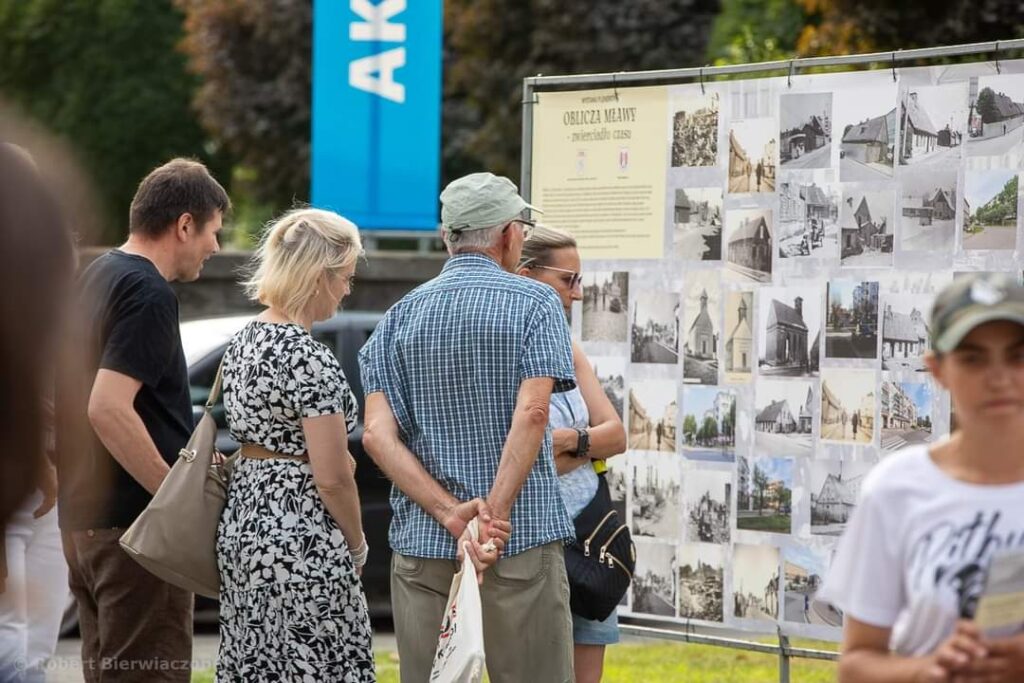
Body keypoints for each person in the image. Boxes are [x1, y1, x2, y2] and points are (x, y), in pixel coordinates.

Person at [360, 172, 572, 683]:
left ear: (446, 237)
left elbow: (376, 436)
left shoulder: (397, 317)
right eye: (521, 228)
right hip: (519, 540)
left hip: (425, 546)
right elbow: (534, 413)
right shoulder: (537, 302)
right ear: (508, 235)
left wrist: (452, 514)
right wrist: (490, 519)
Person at [55, 158, 229, 682]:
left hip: (85, 521)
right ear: (184, 225)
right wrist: (173, 500)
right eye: (214, 231)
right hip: (134, 533)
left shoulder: (97, 275)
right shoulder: (148, 292)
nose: (216, 246)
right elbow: (107, 406)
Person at [819, 272, 1024, 682]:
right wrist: (928, 670)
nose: (999, 377)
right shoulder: (897, 488)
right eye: (973, 358)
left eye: (1017, 356)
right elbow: (856, 665)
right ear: (938, 370)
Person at [216, 208, 374, 681]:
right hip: (300, 534)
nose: (347, 290)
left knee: (259, 662)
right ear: (320, 276)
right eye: (345, 277)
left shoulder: (244, 340)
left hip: (245, 524)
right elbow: (332, 476)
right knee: (316, 662)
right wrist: (357, 544)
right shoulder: (308, 356)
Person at [516, 225, 627, 683]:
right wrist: (584, 442)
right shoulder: (503, 352)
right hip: (529, 546)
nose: (578, 293)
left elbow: (616, 435)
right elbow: (520, 461)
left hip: (587, 542)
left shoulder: (568, 349)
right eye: (568, 280)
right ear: (526, 276)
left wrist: (567, 441)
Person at [0, 142, 76, 682]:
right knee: (10, 635)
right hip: (19, 475)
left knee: (39, 640)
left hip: (47, 483)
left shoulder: (44, 275)